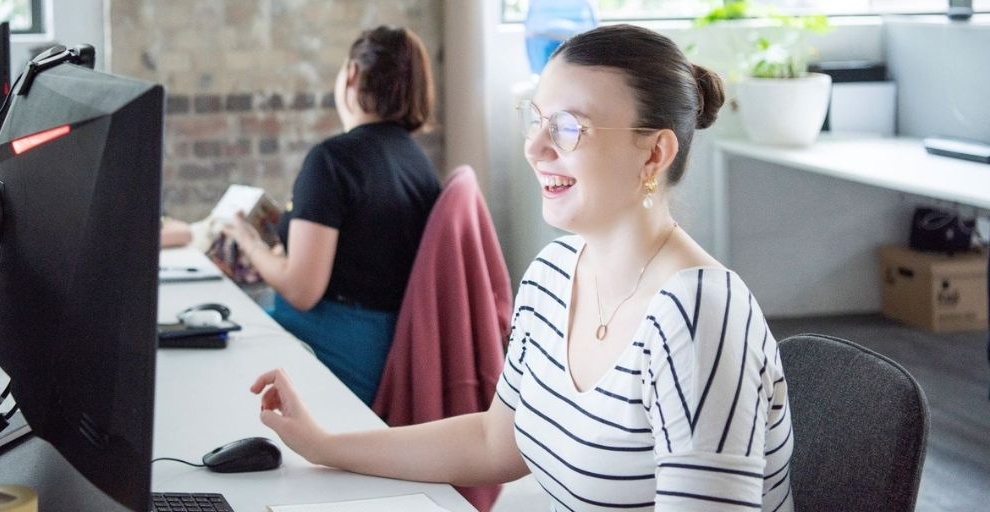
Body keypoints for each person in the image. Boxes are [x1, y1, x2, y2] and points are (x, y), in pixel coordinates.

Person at [247, 24, 795, 511]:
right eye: (536, 121)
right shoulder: (553, 272)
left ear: (653, 155)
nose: (535, 148)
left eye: (569, 127)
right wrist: (324, 444)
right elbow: (494, 440)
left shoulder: (699, 315)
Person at [223, 26, 441, 406]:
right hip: (389, 351)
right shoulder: (418, 163)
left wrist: (250, 244)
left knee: (212, 348)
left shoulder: (332, 160)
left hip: (334, 350)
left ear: (353, 74)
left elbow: (302, 290)